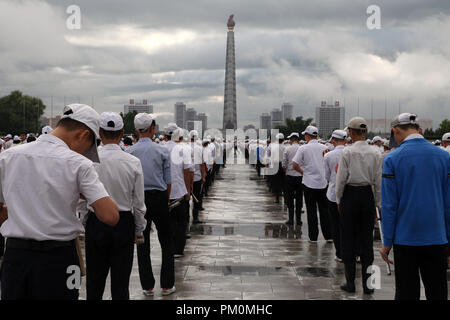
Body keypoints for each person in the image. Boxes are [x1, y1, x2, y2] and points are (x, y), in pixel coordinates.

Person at [0, 103, 119, 300]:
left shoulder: (8, 157)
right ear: (83, 135)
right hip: (60, 258)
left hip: (16, 256)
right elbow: (111, 216)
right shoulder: (79, 164)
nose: (83, 153)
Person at [380, 113, 450, 300]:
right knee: (438, 292)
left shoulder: (392, 159)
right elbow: (448, 203)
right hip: (437, 237)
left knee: (406, 293)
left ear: (395, 130)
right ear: (418, 129)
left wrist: (387, 242)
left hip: (406, 239)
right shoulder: (443, 157)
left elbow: (389, 206)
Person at [83, 112, 146, 300]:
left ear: (99, 133)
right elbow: (139, 203)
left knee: (94, 280)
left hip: (96, 220)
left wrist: (86, 222)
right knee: (121, 282)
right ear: (121, 133)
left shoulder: (88, 161)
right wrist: (138, 230)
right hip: (123, 222)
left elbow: (81, 199)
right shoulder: (133, 162)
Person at [127, 113, 175, 296]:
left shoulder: (130, 152)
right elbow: (168, 180)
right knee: (166, 241)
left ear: (137, 131)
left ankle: (147, 286)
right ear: (153, 128)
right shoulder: (162, 151)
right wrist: (167, 199)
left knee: (142, 242)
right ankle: (167, 284)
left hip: (139, 199)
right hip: (160, 196)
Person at [335, 117, 382, 294]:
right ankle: (368, 285)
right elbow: (378, 181)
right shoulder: (376, 152)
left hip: (350, 195)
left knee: (347, 237)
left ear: (352, 132)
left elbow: (341, 179)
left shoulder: (347, 152)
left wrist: (339, 199)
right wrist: (378, 202)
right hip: (367, 196)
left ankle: (350, 283)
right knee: (366, 239)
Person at [292, 126, 331, 242]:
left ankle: (313, 237)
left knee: (311, 210)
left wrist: (303, 172)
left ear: (307, 136)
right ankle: (328, 235)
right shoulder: (325, 148)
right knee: (324, 210)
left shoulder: (303, 148)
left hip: (309, 182)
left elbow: (294, 164)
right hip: (323, 182)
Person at [164, 125, 193, 257]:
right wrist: (188, 189)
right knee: (181, 222)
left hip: (165, 191)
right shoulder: (183, 149)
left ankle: (169, 246)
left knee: (168, 222)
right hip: (180, 191)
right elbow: (187, 171)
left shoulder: (161, 148)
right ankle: (178, 249)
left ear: (165, 136)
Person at [324, 130, 347, 262]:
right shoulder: (351, 153)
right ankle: (352, 251)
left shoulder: (329, 156)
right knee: (349, 225)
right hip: (348, 193)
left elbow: (326, 176)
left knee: (336, 224)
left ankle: (340, 253)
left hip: (333, 193)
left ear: (333, 140)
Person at [282, 133, 303, 226]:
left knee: (290, 199)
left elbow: (284, 163)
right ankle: (298, 220)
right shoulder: (302, 148)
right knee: (299, 198)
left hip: (290, 176)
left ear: (292, 139)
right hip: (300, 176)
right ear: (298, 140)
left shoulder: (287, 149)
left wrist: (286, 171)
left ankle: (290, 220)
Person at [189, 130, 206, 224]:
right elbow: (202, 164)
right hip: (196, 177)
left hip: (186, 178)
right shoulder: (199, 148)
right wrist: (203, 176)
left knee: (186, 201)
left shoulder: (184, 147)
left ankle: (186, 220)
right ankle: (195, 217)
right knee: (197, 197)